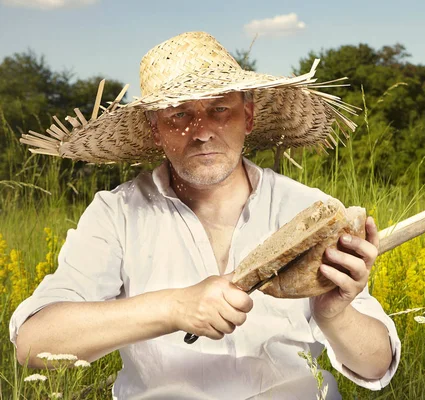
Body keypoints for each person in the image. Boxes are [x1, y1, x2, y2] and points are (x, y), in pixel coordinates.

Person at [10, 31, 400, 399]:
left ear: (247, 117)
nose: (201, 132)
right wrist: (173, 307)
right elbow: (34, 344)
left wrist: (335, 314)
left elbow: (375, 365)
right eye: (179, 115)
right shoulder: (117, 214)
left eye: (219, 110)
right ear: (156, 129)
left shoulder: (308, 212)